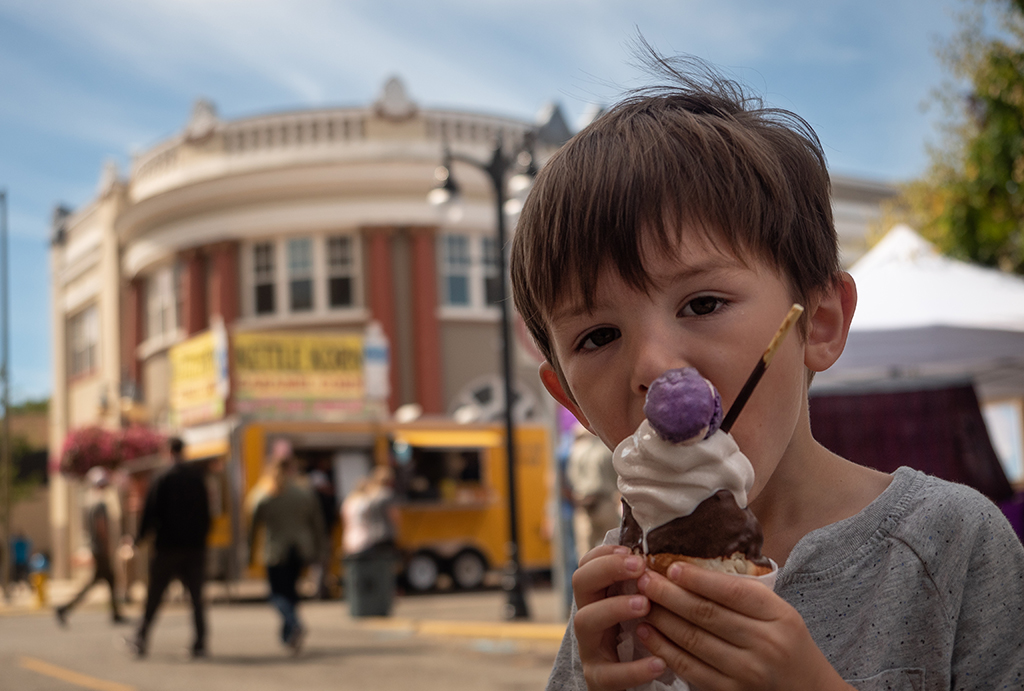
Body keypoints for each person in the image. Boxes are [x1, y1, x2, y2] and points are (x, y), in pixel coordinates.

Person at [509, 48, 1024, 691]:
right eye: (598, 335)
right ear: (571, 400)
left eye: (703, 303)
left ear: (820, 322)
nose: (654, 367)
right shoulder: (617, 588)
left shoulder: (950, 545)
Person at [126, 437, 210, 659]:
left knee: (155, 595)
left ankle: (141, 638)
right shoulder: (196, 477)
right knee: (196, 597)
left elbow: (150, 512)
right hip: (194, 547)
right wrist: (201, 538)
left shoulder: (162, 477)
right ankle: (200, 642)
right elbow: (206, 513)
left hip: (168, 547)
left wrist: (139, 539)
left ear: (168, 451)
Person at [249, 454, 326, 654]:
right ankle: (289, 634)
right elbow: (317, 523)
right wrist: (320, 550)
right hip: (300, 549)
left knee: (277, 594)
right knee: (290, 592)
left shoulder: (267, 492)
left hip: (276, 550)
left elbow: (252, 521)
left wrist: (249, 552)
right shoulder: (303, 492)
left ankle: (293, 623)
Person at [55, 468, 125, 625]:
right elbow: (101, 528)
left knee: (106, 580)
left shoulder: (89, 501)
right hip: (100, 549)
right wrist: (107, 546)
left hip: (96, 548)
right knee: (102, 581)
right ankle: (65, 608)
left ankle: (115, 613)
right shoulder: (99, 503)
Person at [341, 466, 400, 616]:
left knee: (364, 574)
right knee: (384, 571)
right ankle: (383, 602)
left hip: (359, 538)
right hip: (376, 537)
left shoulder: (360, 500)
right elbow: (394, 516)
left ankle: (364, 604)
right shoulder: (384, 496)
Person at [566, 426, 621, 563]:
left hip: (583, 504)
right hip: (605, 502)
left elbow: (571, 478)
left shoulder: (575, 452)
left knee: (585, 554)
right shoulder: (605, 450)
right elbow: (616, 475)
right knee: (612, 550)